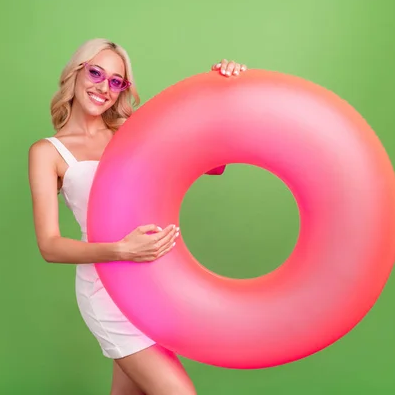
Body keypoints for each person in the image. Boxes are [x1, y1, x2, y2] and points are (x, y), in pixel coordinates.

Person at [28, 38, 247, 395]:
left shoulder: (132, 130)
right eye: (96, 73)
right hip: (105, 289)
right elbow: (50, 246)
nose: (104, 87)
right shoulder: (47, 152)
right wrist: (121, 250)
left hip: (156, 285)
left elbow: (214, 162)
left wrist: (221, 91)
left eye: (116, 81)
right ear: (76, 73)